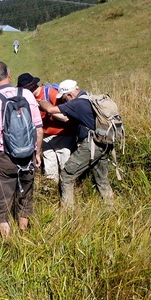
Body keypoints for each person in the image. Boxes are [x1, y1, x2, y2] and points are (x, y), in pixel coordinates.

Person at [0, 61, 43, 239]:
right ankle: (24, 235)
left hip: (3, 157)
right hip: (27, 155)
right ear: (9, 74)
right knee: (25, 195)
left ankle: (8, 241)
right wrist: (37, 152)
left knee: (1, 200)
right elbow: (38, 128)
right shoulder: (27, 95)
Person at [39, 79, 114, 208]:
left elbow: (51, 109)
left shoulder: (77, 103)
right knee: (102, 179)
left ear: (69, 94)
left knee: (67, 175)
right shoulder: (89, 97)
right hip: (104, 141)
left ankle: (68, 212)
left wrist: (41, 102)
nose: (64, 101)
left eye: (63, 98)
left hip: (91, 144)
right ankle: (111, 207)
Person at [17, 73, 76, 183]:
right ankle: (53, 193)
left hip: (63, 136)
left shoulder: (51, 93)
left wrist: (47, 108)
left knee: (66, 167)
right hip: (45, 137)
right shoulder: (29, 99)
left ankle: (69, 195)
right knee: (50, 171)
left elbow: (66, 117)